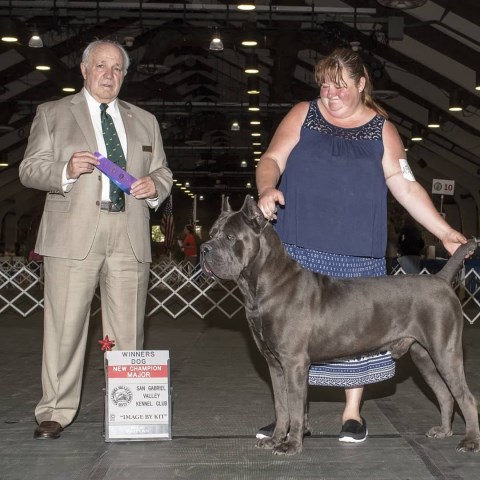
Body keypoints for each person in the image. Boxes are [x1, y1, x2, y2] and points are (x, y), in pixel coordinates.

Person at [255, 47, 466, 443]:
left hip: (356, 252)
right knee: (290, 341)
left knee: (357, 340)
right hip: (300, 249)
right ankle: (291, 418)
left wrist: (443, 231)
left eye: (340, 87)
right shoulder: (303, 114)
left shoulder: (382, 129)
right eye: (324, 86)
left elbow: (405, 185)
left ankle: (352, 415)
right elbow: (271, 159)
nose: (329, 95)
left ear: (362, 84)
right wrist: (267, 187)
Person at [19, 39, 173, 440]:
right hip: (72, 235)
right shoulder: (52, 113)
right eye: (101, 66)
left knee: (127, 332)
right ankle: (55, 411)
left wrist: (152, 187)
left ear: (125, 74)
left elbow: (163, 172)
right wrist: (66, 169)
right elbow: (29, 170)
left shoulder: (145, 120)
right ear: (84, 70)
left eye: (117, 68)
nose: (109, 74)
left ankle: (131, 412)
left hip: (130, 233)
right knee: (65, 328)